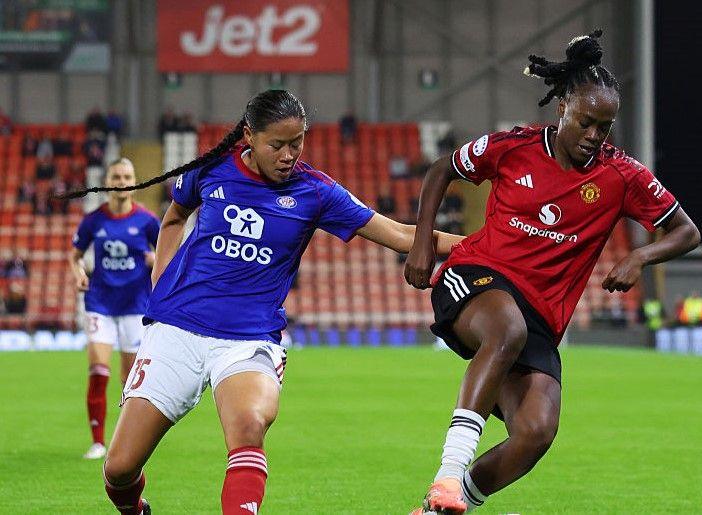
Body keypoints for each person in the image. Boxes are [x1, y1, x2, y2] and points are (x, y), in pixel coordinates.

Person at [63, 89, 463, 515]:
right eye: (278, 145)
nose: (289, 155)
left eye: (298, 143)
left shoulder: (316, 191)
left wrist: (493, 246)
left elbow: (403, 236)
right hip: (176, 328)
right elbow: (175, 216)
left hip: (248, 339)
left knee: (249, 425)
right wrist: (160, 283)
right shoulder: (212, 168)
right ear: (250, 136)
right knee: (120, 468)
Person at [404, 30, 700, 514]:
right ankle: (447, 474)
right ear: (562, 107)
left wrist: (639, 256)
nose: (594, 136)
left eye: (604, 127)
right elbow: (442, 170)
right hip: (476, 277)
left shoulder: (622, 175)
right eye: (586, 122)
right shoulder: (514, 145)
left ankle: (437, 511)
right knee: (505, 329)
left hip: (539, 318)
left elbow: (686, 231)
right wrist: (422, 244)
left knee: (536, 432)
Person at [68, 158, 160, 460]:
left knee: (130, 382)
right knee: (98, 371)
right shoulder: (94, 220)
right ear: (108, 181)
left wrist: (155, 260)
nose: (122, 181)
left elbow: (168, 254)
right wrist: (79, 272)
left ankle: (125, 443)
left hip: (135, 306)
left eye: (127, 176)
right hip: (100, 303)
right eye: (116, 176)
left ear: (134, 181)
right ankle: (97, 442)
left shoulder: (147, 221)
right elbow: (75, 255)